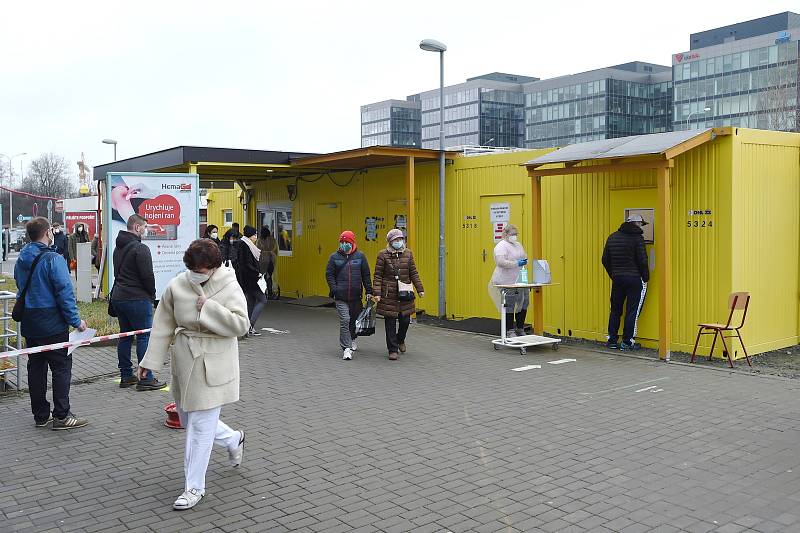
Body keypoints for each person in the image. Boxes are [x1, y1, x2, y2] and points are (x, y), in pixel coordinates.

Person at [138, 239, 249, 511]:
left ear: (213, 266)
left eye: (202, 268)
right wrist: (150, 362)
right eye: (193, 268)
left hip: (215, 364)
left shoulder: (229, 284)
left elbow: (241, 324)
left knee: (199, 429)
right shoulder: (177, 285)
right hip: (186, 363)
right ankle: (234, 439)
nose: (197, 272)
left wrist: (208, 308)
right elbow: (163, 324)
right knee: (191, 420)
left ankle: (194, 487)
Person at [15, 217, 88, 429]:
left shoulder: (22, 258)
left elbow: (21, 285)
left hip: (30, 320)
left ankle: (40, 415)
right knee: (61, 367)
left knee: (36, 367)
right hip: (52, 322)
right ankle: (62, 416)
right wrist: (76, 321)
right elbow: (65, 293)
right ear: (48, 232)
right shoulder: (53, 259)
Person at [112, 214, 167, 390]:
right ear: (137, 227)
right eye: (144, 227)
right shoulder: (140, 249)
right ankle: (146, 378)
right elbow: (147, 276)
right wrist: (152, 294)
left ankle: (126, 375)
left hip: (119, 297)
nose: (145, 230)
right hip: (137, 298)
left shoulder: (117, 248)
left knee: (125, 336)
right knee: (144, 336)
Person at [372, 229, 424, 360]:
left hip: (405, 293)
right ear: (390, 241)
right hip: (388, 293)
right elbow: (378, 275)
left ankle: (400, 339)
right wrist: (377, 293)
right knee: (390, 322)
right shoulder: (383, 255)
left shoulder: (408, 253)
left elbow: (413, 273)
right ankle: (392, 349)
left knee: (405, 320)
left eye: (400, 239)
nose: (398, 242)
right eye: (395, 240)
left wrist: (420, 289)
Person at [602, 213, 650, 350]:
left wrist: (614, 274)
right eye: (641, 224)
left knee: (615, 310)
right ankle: (627, 342)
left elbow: (605, 260)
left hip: (618, 279)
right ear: (637, 224)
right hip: (634, 279)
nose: (642, 227)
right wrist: (645, 277)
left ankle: (612, 340)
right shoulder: (637, 239)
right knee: (632, 310)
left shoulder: (612, 237)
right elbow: (642, 260)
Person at [325, 231, 372, 361]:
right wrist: (334, 289)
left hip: (356, 296)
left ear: (352, 242)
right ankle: (346, 348)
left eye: (347, 242)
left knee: (354, 320)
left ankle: (352, 338)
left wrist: (369, 291)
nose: (344, 244)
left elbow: (366, 275)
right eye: (342, 242)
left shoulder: (360, 256)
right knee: (345, 320)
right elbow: (329, 274)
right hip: (341, 296)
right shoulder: (334, 257)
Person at [489, 224, 529, 337]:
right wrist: (517, 263)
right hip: (505, 281)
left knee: (524, 303)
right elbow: (500, 262)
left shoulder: (518, 245)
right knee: (509, 305)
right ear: (505, 234)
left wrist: (524, 261)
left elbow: (524, 255)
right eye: (512, 234)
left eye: (516, 234)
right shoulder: (501, 246)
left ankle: (520, 328)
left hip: (519, 279)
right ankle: (509, 331)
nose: (514, 236)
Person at [234, 225, 267, 337]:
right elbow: (246, 264)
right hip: (251, 279)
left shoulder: (245, 244)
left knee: (251, 302)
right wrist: (256, 273)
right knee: (263, 300)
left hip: (247, 279)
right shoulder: (245, 245)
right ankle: (250, 325)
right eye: (254, 235)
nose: (256, 237)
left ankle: (246, 326)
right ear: (250, 235)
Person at [256, 226, 278, 299]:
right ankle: (270, 293)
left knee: (263, 277)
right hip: (271, 261)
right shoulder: (273, 240)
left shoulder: (259, 240)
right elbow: (276, 250)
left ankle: (263, 293)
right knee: (269, 277)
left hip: (262, 262)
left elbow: (257, 250)